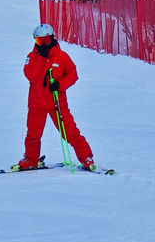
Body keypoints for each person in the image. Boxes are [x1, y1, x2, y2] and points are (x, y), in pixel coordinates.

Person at [13, 24, 95, 171]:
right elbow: (30, 76)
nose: (43, 44)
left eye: (45, 40)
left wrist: (60, 84)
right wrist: (40, 58)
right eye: (39, 41)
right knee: (33, 135)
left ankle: (86, 158)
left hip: (57, 103)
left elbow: (73, 74)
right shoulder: (31, 57)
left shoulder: (62, 57)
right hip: (36, 104)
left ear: (52, 38)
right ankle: (30, 160)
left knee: (70, 132)